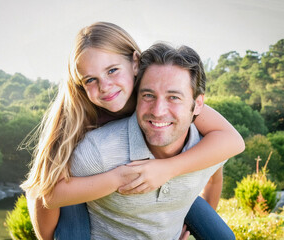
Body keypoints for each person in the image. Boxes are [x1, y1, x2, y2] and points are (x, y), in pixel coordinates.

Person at [21, 22, 244, 239]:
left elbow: (232, 141)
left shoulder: (165, 95)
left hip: (160, 182)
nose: (105, 86)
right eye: (91, 79)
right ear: (80, 83)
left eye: (112, 70)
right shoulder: (77, 117)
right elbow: (44, 193)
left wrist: (167, 170)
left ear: (135, 62)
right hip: (86, 185)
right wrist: (117, 178)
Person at [68, 42, 230, 239]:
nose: (158, 110)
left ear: (197, 105)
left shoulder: (208, 146)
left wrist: (184, 223)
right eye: (148, 95)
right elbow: (45, 195)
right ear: (137, 96)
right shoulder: (97, 151)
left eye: (174, 97)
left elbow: (214, 176)